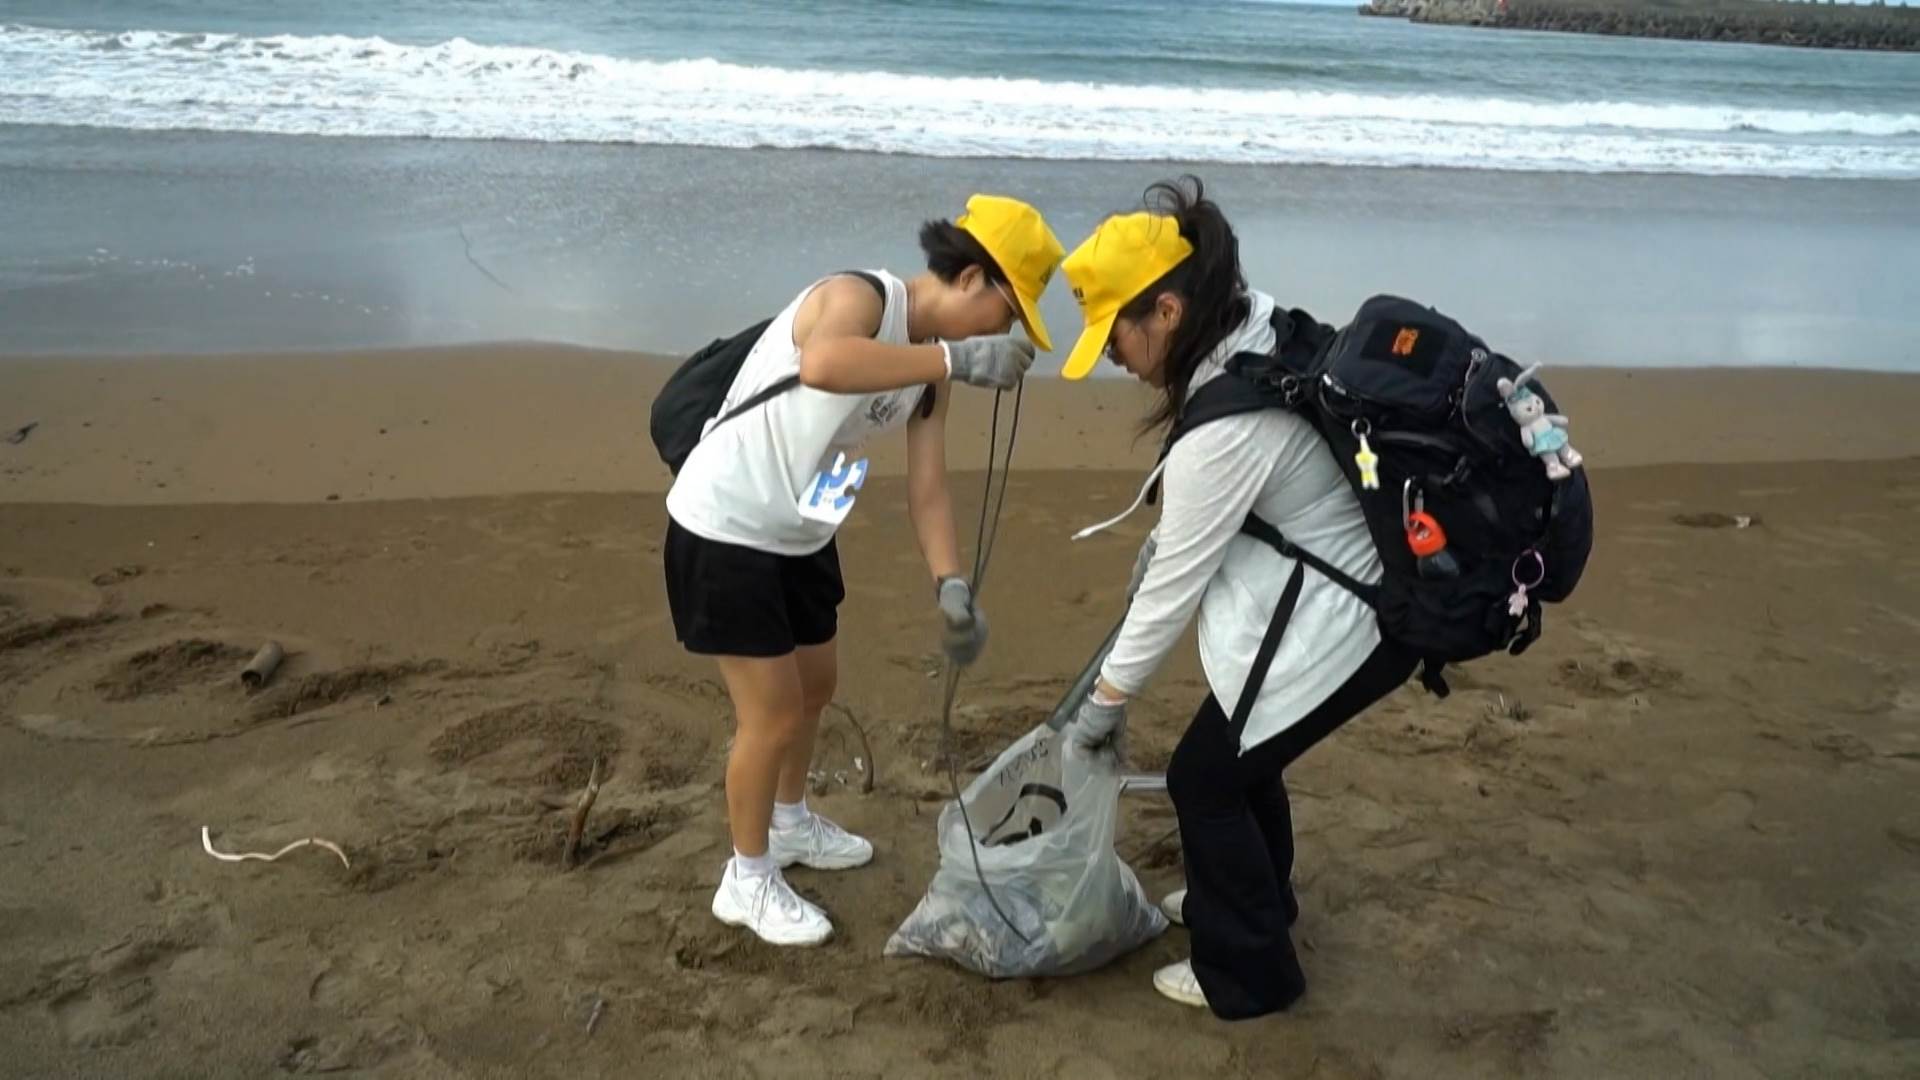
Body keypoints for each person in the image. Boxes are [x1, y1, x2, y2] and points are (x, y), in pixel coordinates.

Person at [664, 195, 1065, 947]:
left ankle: (789, 823)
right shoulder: (860, 298)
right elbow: (824, 363)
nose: (1002, 333)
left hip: (803, 529)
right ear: (970, 277)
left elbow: (928, 488)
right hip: (727, 522)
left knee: (816, 686)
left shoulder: (932, 371)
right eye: (1007, 313)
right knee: (771, 713)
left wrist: (950, 584)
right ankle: (746, 879)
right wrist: (953, 359)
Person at [1057, 178, 1416, 1017]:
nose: (1109, 354)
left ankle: (1251, 973)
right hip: (1352, 590)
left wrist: (1102, 707)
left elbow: (1169, 595)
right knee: (1244, 754)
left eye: (1114, 331)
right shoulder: (1254, 324)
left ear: (1168, 312)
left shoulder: (1219, 433)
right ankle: (1258, 900)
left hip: (1360, 619)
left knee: (1204, 778)